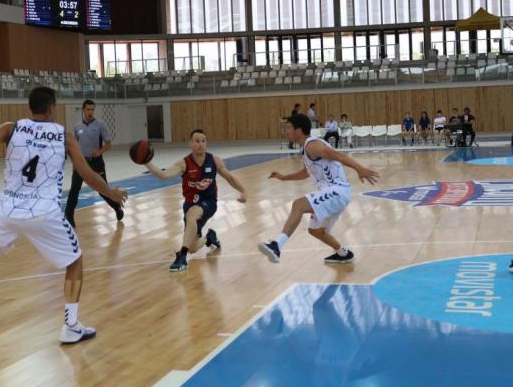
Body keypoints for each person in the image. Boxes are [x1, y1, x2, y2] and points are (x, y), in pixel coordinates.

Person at [0, 87, 128, 348]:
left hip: (6, 210)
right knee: (75, 261)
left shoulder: (12, 128)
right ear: (52, 108)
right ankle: (71, 326)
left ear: (30, 107)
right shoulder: (63, 135)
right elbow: (87, 174)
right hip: (43, 212)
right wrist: (111, 191)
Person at [258, 113, 379, 264]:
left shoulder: (313, 145)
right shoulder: (305, 149)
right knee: (315, 231)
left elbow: (337, 155)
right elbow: (305, 173)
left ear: (299, 130)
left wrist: (359, 169)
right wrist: (283, 177)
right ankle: (343, 253)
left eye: (289, 128)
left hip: (337, 191)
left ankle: (277, 246)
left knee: (298, 205)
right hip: (332, 194)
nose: (286, 131)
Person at [144, 129, 247, 271]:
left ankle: (182, 257)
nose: (200, 144)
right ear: (190, 144)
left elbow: (229, 177)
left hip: (209, 202)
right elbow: (163, 175)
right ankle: (209, 238)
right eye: (197, 141)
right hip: (190, 204)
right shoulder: (184, 163)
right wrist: (146, 162)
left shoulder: (214, 160)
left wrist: (243, 191)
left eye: (203, 141)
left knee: (192, 215)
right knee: (193, 247)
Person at [65, 99, 123, 227]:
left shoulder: (100, 125)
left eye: (92, 109)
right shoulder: (77, 127)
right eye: (88, 109)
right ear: (83, 110)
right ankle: (68, 216)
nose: (90, 112)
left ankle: (116, 207)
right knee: (74, 189)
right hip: (81, 162)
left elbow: (108, 144)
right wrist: (75, 162)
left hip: (96, 162)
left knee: (103, 190)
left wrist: (100, 151)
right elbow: (76, 145)